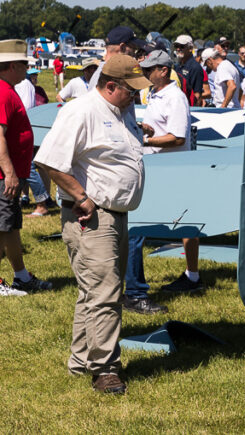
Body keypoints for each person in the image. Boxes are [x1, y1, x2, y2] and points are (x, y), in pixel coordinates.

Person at [34, 54, 150, 394]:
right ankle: (105, 369)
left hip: (115, 215)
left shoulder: (121, 112)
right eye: (131, 90)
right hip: (92, 215)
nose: (136, 96)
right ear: (110, 86)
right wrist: (82, 198)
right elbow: (49, 162)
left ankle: (81, 361)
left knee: (95, 291)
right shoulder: (80, 110)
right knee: (105, 293)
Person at [123, 50, 195, 314]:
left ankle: (135, 292)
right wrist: (147, 129)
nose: (145, 73)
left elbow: (177, 137)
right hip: (156, 167)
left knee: (141, 229)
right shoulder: (155, 94)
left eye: (149, 69)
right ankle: (134, 290)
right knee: (138, 229)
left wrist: (145, 140)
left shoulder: (175, 97)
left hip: (169, 170)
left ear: (164, 70)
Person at [0, 40, 54, 296]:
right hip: (4, 175)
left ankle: (21, 276)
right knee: (4, 226)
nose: (27, 69)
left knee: (9, 226)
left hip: (9, 175)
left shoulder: (7, 90)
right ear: (11, 66)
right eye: (24, 64)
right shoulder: (3, 92)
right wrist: (10, 173)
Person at [172, 35, 206, 106]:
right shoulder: (177, 66)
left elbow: (197, 95)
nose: (178, 49)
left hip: (187, 108)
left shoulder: (195, 67)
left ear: (190, 48)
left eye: (182, 46)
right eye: (176, 46)